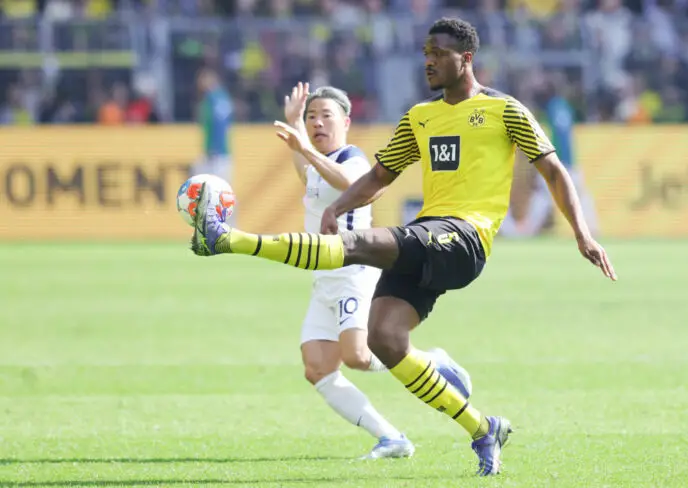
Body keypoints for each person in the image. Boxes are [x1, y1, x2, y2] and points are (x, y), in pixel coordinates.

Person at [188, 18, 616, 476]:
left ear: (466, 58)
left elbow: (553, 170)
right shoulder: (420, 117)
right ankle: (482, 428)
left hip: (465, 238)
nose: (428, 61)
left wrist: (582, 233)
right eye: (426, 53)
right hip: (431, 230)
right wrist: (339, 206)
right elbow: (379, 176)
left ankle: (227, 238)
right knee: (383, 340)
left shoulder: (504, 110)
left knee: (355, 245)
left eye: (438, 53)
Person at [277, 82, 438, 459]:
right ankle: (391, 438)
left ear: (346, 122)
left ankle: (432, 362)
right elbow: (306, 173)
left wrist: (305, 147)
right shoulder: (316, 162)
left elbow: (350, 184)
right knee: (317, 368)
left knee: (358, 357)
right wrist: (294, 125)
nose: (317, 123)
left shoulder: (354, 159)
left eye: (326, 115)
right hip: (323, 279)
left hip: (354, 273)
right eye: (312, 116)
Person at [501, 79, 600, 237]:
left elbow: (558, 136)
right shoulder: (563, 106)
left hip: (561, 162)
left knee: (545, 196)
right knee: (576, 195)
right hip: (569, 162)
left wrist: (552, 159)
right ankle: (593, 228)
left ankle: (525, 231)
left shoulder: (553, 108)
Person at [193, 68, 233, 211]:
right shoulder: (222, 97)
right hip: (220, 151)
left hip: (215, 153)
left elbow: (217, 125)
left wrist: (212, 149)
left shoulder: (213, 99)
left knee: (214, 192)